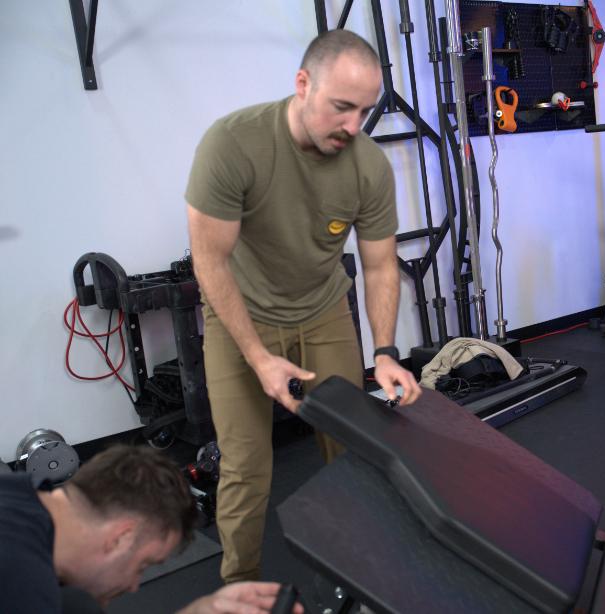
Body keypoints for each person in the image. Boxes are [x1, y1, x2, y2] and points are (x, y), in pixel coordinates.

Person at [185, 28, 422, 583]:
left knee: (352, 447)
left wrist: (384, 353)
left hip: (322, 311)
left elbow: (381, 265)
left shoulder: (367, 166)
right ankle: (239, 585)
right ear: (303, 85)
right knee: (247, 468)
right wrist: (258, 357)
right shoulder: (232, 143)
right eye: (341, 107)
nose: (352, 126)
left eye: (364, 111)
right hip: (239, 315)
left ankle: (366, 576)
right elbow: (210, 263)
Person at [0, 444, 301, 614]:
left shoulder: (19, 494)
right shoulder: (22, 580)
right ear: (120, 538)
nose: (133, 585)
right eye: (143, 565)